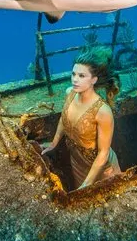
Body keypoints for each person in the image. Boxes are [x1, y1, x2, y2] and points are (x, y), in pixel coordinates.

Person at [41, 46, 121, 190]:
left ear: (94, 80)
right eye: (73, 74)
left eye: (81, 76)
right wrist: (53, 143)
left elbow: (104, 152)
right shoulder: (69, 93)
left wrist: (86, 184)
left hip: (101, 169)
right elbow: (63, 119)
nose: (75, 80)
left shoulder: (103, 111)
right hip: (76, 161)